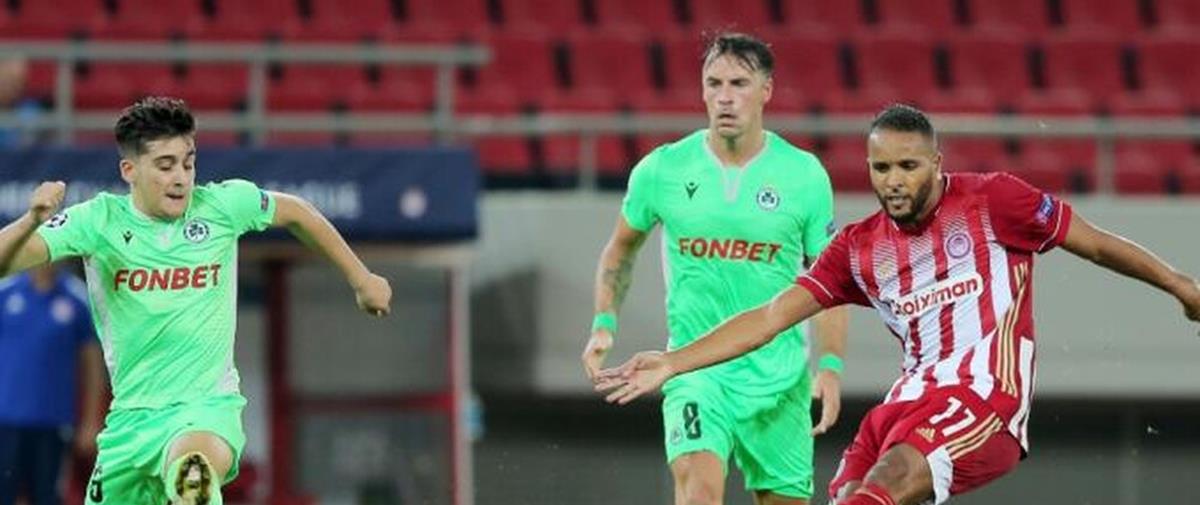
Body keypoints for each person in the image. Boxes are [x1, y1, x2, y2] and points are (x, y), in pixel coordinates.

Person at [596, 104, 1200, 505]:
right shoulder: (858, 248)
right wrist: (675, 361)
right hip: (904, 404)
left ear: (936, 163)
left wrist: (1179, 284)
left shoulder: (995, 203)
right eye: (881, 167)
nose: (894, 180)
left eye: (908, 166)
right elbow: (771, 317)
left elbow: (1095, 244)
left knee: (885, 484)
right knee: (849, 495)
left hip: (985, 400)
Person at [0, 96, 393, 505]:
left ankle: (194, 486)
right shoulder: (98, 221)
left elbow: (297, 211)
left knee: (191, 470)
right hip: (129, 426)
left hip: (205, 411)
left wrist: (361, 277)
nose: (181, 178)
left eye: (188, 164)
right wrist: (31, 221)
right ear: (129, 170)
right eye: (165, 165)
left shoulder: (222, 206)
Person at [581, 33, 848, 505]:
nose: (725, 96)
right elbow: (620, 250)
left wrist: (829, 366)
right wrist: (604, 322)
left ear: (766, 90)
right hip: (695, 371)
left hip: (780, 380)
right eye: (714, 83)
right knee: (698, 494)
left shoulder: (804, 175)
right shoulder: (662, 170)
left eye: (739, 84)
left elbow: (830, 283)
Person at [0, 263, 105, 505]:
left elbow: (92, 363)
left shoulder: (78, 298)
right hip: (5, 419)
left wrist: (91, 421)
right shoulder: (5, 292)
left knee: (47, 496)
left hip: (53, 421)